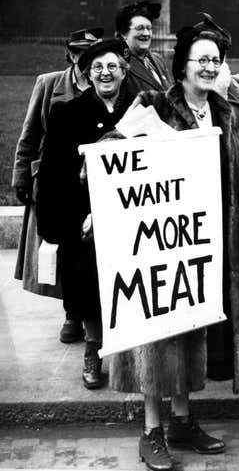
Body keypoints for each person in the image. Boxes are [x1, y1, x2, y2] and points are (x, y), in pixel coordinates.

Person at [108, 15, 239, 471]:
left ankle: (183, 421)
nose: (210, 67)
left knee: (192, 328)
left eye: (216, 59)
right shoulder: (154, 103)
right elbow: (112, 149)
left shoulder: (226, 112)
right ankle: (151, 430)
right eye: (201, 59)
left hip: (205, 240)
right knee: (158, 336)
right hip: (159, 243)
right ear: (183, 66)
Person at [36, 38, 134, 389]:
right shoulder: (67, 113)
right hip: (83, 221)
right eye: (97, 68)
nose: (105, 73)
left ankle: (129, 350)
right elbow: (51, 174)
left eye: (113, 67)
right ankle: (93, 347)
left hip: (134, 218)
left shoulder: (142, 113)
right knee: (87, 281)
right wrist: (68, 223)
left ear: (124, 72)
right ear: (87, 74)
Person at [12, 27, 103, 344]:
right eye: (78, 52)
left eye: (89, 52)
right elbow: (30, 134)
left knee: (86, 253)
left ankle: (87, 314)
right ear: (70, 54)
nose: (83, 58)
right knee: (61, 249)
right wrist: (22, 177)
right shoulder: (49, 83)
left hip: (93, 181)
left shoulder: (103, 84)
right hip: (57, 178)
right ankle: (71, 315)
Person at [115, 0, 172, 96]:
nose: (146, 33)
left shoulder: (158, 60)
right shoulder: (118, 64)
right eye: (139, 28)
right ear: (124, 34)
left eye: (149, 28)